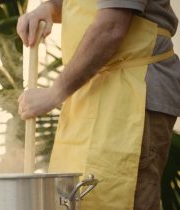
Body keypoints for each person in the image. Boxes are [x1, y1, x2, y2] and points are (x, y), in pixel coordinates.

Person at [17, 0, 180, 209]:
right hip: (89, 92)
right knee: (80, 196)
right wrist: (48, 8)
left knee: (120, 197)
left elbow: (111, 28)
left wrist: (54, 93)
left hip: (131, 93)